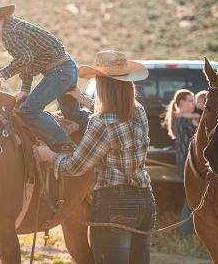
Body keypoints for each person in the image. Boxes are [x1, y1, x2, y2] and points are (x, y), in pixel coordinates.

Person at [35, 50, 156, 263]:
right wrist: (82, 99)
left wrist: (49, 156)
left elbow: (75, 166)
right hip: (145, 201)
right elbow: (115, 115)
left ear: (104, 87)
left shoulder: (101, 123)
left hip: (114, 205)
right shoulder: (139, 112)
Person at [0, 4, 91, 153]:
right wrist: (25, 90)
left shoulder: (9, 33)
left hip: (58, 71)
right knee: (73, 114)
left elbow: (24, 59)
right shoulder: (14, 27)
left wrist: (1, 73)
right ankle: (101, 128)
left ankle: (64, 143)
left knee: (28, 109)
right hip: (67, 67)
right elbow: (27, 63)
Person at [164, 89, 198, 239]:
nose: (194, 104)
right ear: (182, 103)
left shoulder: (182, 117)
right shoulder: (184, 120)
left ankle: (188, 231)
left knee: (192, 197)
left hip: (188, 165)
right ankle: (185, 232)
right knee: (191, 198)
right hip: (189, 165)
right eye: (191, 101)